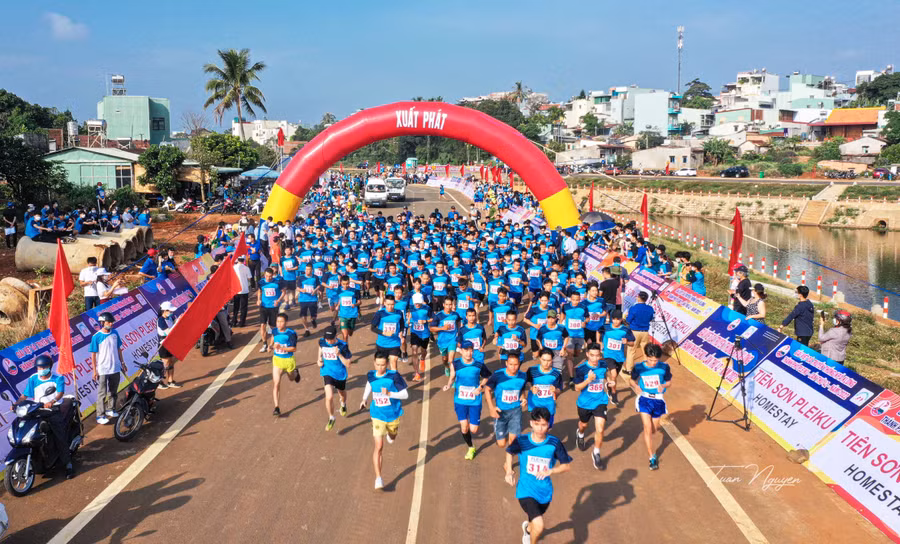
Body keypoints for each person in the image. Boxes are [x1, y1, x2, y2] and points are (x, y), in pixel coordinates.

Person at [503, 407, 572, 544]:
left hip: (544, 492)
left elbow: (566, 466)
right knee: (539, 525)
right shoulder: (522, 441)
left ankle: (528, 530)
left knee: (534, 522)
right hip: (525, 490)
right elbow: (509, 452)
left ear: (549, 425)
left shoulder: (554, 443)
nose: (540, 428)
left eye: (544, 425)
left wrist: (551, 471)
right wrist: (509, 471)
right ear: (531, 423)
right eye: (537, 424)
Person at [18, 355, 75, 479]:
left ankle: (68, 464)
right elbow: (25, 395)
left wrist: (52, 401)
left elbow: (60, 393)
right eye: (39, 367)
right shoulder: (33, 378)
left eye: (44, 367)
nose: (41, 369)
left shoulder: (58, 377)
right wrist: (16, 404)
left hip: (53, 410)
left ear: (50, 367)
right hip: (37, 411)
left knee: (60, 437)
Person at [360, 355, 409, 490]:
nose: (380, 367)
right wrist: (364, 399)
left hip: (393, 415)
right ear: (374, 363)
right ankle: (378, 478)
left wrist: (390, 394)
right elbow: (369, 385)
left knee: (392, 436)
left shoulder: (394, 376)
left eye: (382, 365)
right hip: (377, 415)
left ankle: (391, 435)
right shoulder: (371, 375)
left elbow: (405, 395)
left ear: (387, 364)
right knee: (379, 446)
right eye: (377, 364)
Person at [443, 340, 492, 460]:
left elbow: (487, 376)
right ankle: (471, 447)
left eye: (471, 350)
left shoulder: (479, 365)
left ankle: (472, 423)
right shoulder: (455, 364)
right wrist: (448, 385)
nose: (468, 353)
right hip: (460, 400)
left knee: (474, 430)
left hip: (474, 401)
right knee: (464, 427)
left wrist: (480, 387)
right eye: (466, 350)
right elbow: (452, 377)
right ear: (461, 351)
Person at [574, 343, 617, 470]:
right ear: (587, 354)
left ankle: (596, 452)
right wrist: (588, 380)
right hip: (584, 404)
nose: (595, 358)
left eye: (597, 355)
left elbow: (606, 375)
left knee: (600, 428)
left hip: (600, 402)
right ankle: (580, 434)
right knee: (583, 425)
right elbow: (577, 388)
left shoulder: (603, 364)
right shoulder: (581, 369)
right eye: (592, 355)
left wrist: (609, 382)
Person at [630, 344, 671, 470]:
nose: (653, 363)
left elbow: (669, 382)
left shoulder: (664, 367)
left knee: (654, 429)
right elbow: (632, 380)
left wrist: (663, 386)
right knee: (647, 428)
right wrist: (636, 386)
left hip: (658, 400)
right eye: (650, 360)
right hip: (644, 399)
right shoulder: (639, 367)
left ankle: (649, 432)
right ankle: (652, 457)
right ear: (646, 356)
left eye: (656, 360)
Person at [90, 311, 128, 425]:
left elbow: (119, 349)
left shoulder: (115, 333)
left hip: (115, 368)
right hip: (103, 369)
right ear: (102, 323)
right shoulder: (96, 337)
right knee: (102, 393)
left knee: (113, 391)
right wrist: (94, 371)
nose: (111, 324)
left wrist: (122, 363)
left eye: (112, 322)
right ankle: (100, 415)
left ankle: (111, 409)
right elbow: (93, 355)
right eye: (109, 322)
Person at [485, 352, 528, 449]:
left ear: (519, 364)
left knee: (513, 441)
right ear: (506, 363)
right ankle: (502, 432)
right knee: (502, 444)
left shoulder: (523, 376)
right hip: (501, 412)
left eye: (516, 364)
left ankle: (509, 458)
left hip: (516, 411)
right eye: (511, 364)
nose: (513, 367)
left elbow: (521, 389)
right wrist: (491, 408)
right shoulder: (498, 375)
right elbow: (487, 389)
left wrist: (523, 398)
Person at [318, 326, 352, 430]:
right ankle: (331, 417)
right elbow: (320, 351)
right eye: (327, 339)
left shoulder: (343, 346)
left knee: (342, 393)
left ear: (336, 336)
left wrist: (339, 354)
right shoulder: (322, 342)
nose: (328, 341)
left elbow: (348, 364)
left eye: (331, 339)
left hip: (340, 374)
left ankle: (343, 404)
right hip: (327, 372)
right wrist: (319, 360)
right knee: (329, 397)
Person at [270, 312, 301, 417]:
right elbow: (273, 338)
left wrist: (281, 348)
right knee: (276, 383)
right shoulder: (274, 331)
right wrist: (270, 346)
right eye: (277, 321)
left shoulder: (291, 333)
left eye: (281, 321)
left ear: (286, 322)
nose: (279, 323)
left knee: (291, 378)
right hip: (277, 360)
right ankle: (276, 407)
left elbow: (294, 348)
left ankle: (296, 373)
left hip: (288, 360)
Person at [526, 349, 563, 429]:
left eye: (549, 360)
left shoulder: (556, 374)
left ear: (552, 360)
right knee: (537, 427)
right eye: (544, 360)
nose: (546, 363)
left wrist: (555, 391)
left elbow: (559, 389)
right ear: (540, 358)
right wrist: (531, 388)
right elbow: (528, 381)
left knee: (547, 428)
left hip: (549, 405)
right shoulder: (532, 370)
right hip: (534, 404)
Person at [371, 294, 406, 371]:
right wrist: (384, 333)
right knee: (382, 367)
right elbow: (372, 328)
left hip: (394, 343)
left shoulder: (399, 313)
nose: (390, 307)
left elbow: (402, 325)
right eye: (388, 304)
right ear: (384, 303)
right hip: (382, 344)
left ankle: (394, 378)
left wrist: (401, 332)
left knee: (393, 362)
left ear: (395, 303)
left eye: (392, 304)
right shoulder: (380, 313)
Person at [431, 296, 461, 376]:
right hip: (442, 341)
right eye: (447, 304)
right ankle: (446, 367)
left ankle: (453, 377)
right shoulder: (438, 316)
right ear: (443, 305)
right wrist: (442, 328)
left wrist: (459, 331)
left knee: (451, 360)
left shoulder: (455, 314)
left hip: (453, 340)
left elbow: (458, 322)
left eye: (450, 304)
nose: (449, 306)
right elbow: (431, 328)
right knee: (445, 359)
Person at [625, 292, 654, 372]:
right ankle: (646, 368)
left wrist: (627, 316)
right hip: (645, 332)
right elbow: (651, 319)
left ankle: (629, 370)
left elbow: (628, 320)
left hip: (634, 332)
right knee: (645, 351)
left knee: (631, 351)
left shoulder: (633, 308)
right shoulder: (650, 308)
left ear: (638, 298)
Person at [156, 301, 182, 388]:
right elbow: (169, 332)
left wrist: (178, 320)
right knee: (165, 364)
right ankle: (159, 382)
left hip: (171, 343)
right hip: (163, 344)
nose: (171, 312)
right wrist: (177, 322)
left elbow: (175, 326)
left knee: (171, 362)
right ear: (165, 311)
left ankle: (170, 381)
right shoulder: (160, 320)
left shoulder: (170, 318)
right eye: (170, 311)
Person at [258, 267, 284, 353]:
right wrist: (258, 299)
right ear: (264, 275)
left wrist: (278, 300)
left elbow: (283, 292)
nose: (268, 278)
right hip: (264, 306)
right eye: (266, 276)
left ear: (273, 275)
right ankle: (264, 344)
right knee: (262, 325)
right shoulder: (261, 282)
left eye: (270, 276)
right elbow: (259, 291)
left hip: (273, 307)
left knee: (273, 327)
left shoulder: (278, 282)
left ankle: (271, 345)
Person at [232, 255, 252, 327]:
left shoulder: (233, 267)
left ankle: (234, 321)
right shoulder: (246, 268)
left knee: (236, 306)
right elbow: (249, 278)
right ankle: (242, 322)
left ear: (237, 260)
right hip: (244, 289)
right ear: (243, 260)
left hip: (236, 289)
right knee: (243, 307)